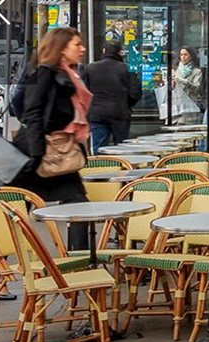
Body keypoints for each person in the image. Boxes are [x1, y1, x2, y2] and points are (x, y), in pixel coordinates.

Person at [16, 28, 94, 247]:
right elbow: (31, 113)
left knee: (78, 205)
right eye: (77, 44)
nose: (83, 49)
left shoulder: (69, 75)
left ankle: (79, 262)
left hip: (59, 152)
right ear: (61, 49)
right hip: (40, 153)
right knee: (18, 210)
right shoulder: (45, 74)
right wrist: (36, 153)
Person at [84, 42, 142, 154]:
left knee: (99, 148)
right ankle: (120, 169)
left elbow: (84, 92)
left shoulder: (90, 68)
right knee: (121, 149)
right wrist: (126, 104)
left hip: (97, 114)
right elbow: (135, 92)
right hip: (120, 113)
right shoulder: (127, 69)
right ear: (120, 52)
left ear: (104, 51)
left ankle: (100, 169)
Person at [172, 46, 205, 122]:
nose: (183, 57)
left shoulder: (197, 71)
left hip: (190, 105)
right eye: (181, 55)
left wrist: (183, 81)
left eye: (186, 54)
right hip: (175, 105)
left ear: (191, 56)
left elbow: (197, 88)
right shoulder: (175, 70)